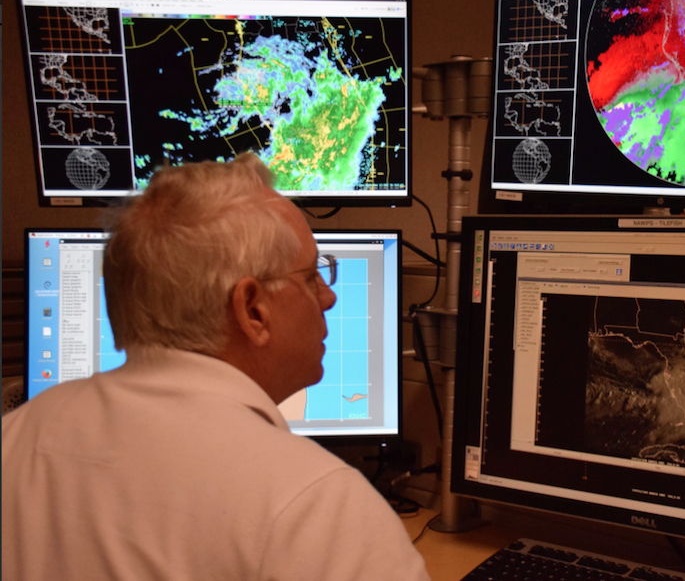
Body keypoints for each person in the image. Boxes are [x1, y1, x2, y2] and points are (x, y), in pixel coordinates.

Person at [1, 154, 431, 581]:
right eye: (310, 277)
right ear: (252, 310)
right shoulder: (314, 503)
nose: (327, 297)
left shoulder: (14, 438)